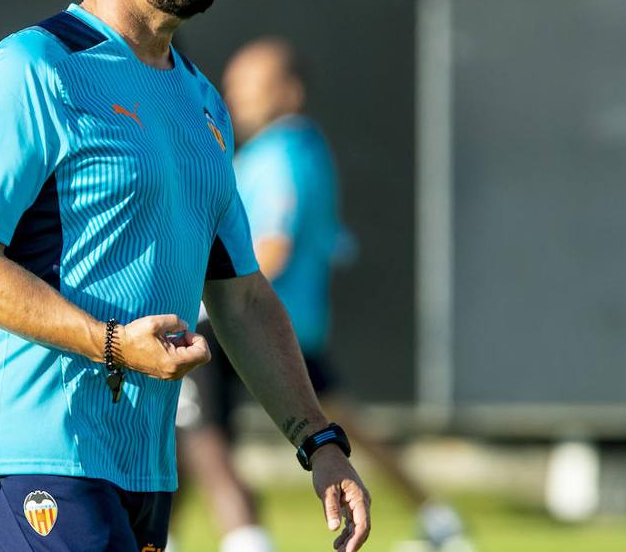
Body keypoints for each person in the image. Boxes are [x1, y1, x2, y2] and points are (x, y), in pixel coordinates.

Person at [0, 0, 371, 552]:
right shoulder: (32, 69)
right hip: (34, 441)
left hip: (142, 459)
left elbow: (242, 295)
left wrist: (318, 441)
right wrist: (108, 344)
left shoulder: (199, 98)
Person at [175, 36, 471, 552]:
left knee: (200, 431)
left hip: (247, 325)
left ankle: (245, 538)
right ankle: (440, 519)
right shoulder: (299, 149)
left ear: (288, 92)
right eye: (234, 85)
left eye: (252, 86)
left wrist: (205, 300)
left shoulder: (283, 152)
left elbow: (271, 246)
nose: (237, 96)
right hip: (295, 326)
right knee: (340, 428)